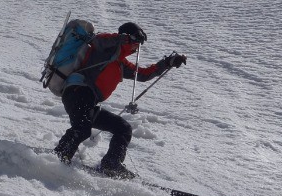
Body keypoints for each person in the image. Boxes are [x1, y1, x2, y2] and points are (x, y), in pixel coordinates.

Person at [53, 21, 187, 178]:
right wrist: (125, 38)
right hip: (77, 92)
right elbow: (97, 40)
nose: (137, 48)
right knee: (82, 128)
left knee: (123, 128)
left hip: (89, 100)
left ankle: (111, 164)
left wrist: (168, 62)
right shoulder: (104, 48)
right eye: (137, 42)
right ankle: (57, 159)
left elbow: (143, 74)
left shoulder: (121, 63)